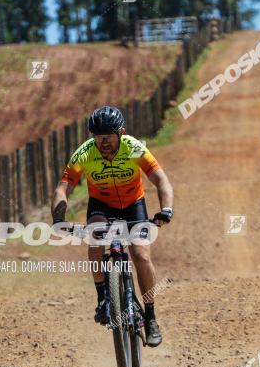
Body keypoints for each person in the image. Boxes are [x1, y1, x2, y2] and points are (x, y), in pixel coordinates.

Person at [51, 105, 173, 346]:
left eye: (108, 136)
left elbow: (161, 180)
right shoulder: (84, 153)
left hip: (133, 204)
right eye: (98, 137)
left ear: (121, 132)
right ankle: (102, 298)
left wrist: (166, 209)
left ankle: (150, 316)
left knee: (141, 255)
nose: (103, 142)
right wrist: (58, 219)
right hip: (101, 205)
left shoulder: (134, 148)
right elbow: (63, 188)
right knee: (95, 238)